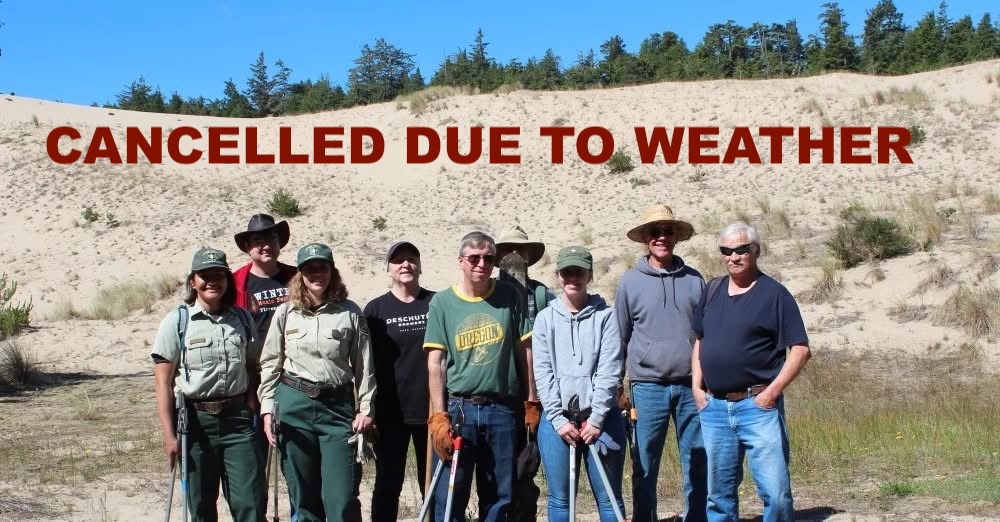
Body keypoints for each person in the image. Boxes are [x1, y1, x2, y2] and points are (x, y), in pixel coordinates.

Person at [692, 222, 810, 522]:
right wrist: (696, 386)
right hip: (715, 407)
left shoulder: (775, 294)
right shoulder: (712, 290)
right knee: (718, 495)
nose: (734, 257)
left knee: (776, 491)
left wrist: (772, 393)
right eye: (727, 251)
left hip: (757, 406)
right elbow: (700, 340)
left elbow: (800, 349)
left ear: (755, 251)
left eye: (742, 250)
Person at [423, 231, 539, 522]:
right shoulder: (443, 302)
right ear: (461, 261)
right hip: (459, 408)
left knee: (500, 494)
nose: (481, 264)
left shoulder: (509, 295)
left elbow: (526, 350)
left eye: (488, 258)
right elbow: (435, 363)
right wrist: (439, 416)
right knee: (451, 492)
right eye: (474, 258)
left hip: (502, 408)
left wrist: (531, 401)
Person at [258, 243, 376, 522]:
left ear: (331, 271)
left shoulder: (350, 312)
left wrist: (367, 409)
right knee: (303, 495)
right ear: (300, 274)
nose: (316, 274)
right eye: (310, 269)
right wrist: (267, 408)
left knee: (342, 497)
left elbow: (365, 365)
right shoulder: (286, 313)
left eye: (322, 267)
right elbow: (270, 363)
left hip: (336, 409)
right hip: (293, 406)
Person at [151, 247, 265, 522]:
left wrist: (252, 402)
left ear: (227, 280)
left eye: (219, 275)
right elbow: (163, 383)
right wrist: (170, 437)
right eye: (204, 275)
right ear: (193, 281)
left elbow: (253, 366)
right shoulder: (177, 322)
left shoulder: (243, 319)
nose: (212, 281)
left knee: (250, 503)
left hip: (238, 423)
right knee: (201, 506)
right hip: (195, 423)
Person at [616, 204, 707, 522]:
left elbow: (704, 334)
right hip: (647, 386)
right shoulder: (629, 282)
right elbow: (620, 336)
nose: (662, 237)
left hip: (690, 386)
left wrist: (704, 381)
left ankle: (696, 517)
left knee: (697, 460)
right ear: (645, 238)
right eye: (655, 232)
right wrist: (618, 385)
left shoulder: (695, 280)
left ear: (676, 237)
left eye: (668, 231)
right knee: (644, 463)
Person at [533, 246, 626, 522]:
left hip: (602, 420)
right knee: (561, 501)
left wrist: (596, 419)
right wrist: (559, 420)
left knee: (609, 499)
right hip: (556, 421)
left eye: (579, 271)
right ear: (558, 275)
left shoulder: (606, 317)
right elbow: (543, 371)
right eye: (567, 272)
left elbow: (610, 371)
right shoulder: (545, 319)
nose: (573, 277)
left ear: (590, 274)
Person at [365, 241, 435, 522]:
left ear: (419, 265)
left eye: (411, 259)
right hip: (391, 412)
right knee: (387, 484)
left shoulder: (437, 302)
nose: (405, 265)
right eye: (398, 261)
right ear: (388, 269)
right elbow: (365, 362)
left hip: (431, 411)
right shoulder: (375, 310)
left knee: (431, 484)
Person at [494, 225, 551, 521]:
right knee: (494, 470)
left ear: (529, 255)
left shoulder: (543, 296)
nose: (514, 254)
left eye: (520, 248)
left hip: (535, 393)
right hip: (496, 394)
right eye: (506, 248)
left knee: (527, 465)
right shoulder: (485, 293)